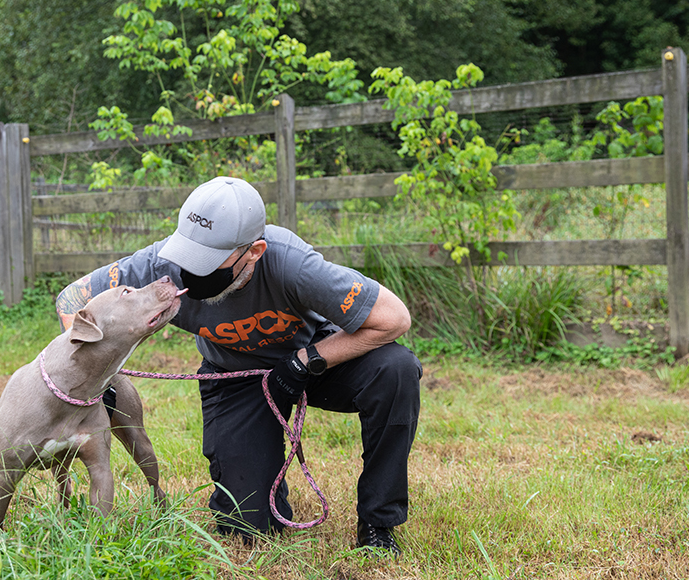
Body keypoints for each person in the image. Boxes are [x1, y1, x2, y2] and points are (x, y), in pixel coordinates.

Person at [54, 176, 421, 555]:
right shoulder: (158, 264)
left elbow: (395, 318)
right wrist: (97, 372)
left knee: (395, 368)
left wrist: (307, 361)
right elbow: (71, 301)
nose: (193, 272)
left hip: (311, 360)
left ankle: (378, 521)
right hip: (234, 376)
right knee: (249, 527)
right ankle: (263, 494)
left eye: (210, 261)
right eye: (190, 255)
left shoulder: (292, 265)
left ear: (254, 251)